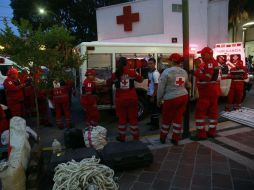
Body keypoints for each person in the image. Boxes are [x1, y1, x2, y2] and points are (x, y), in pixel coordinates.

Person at [108, 57, 143, 142]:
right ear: (127, 63)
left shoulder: (115, 74)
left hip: (120, 100)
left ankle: (122, 137)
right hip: (132, 99)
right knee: (133, 119)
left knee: (122, 119)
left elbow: (108, 83)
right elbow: (141, 80)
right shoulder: (132, 72)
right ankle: (136, 137)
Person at [157, 53, 189, 145]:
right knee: (178, 118)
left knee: (167, 118)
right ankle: (176, 138)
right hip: (183, 96)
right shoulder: (184, 71)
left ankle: (163, 137)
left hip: (171, 98)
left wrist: (158, 99)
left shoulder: (167, 72)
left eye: (169, 60)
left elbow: (161, 87)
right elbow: (187, 84)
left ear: (172, 61)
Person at [194, 47, 221, 140]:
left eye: (202, 54)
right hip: (213, 92)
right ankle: (212, 132)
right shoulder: (212, 63)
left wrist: (194, 73)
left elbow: (207, 78)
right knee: (213, 113)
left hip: (206, 93)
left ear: (209, 54)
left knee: (200, 113)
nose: (201, 56)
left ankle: (201, 134)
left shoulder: (210, 63)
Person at [146, 58, 160, 130]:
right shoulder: (149, 72)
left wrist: (153, 96)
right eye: (148, 63)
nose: (149, 65)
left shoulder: (155, 73)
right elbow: (150, 84)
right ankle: (152, 122)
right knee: (151, 109)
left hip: (154, 94)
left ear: (155, 64)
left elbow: (156, 85)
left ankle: (156, 125)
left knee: (155, 110)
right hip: (150, 93)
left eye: (151, 63)